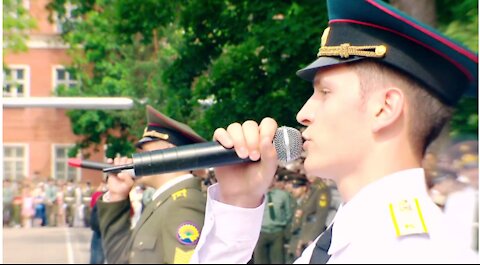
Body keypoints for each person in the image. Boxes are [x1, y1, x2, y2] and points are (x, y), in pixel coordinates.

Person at [189, 0, 478, 263]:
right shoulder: (353, 236)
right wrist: (238, 203)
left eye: (325, 92)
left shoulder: (408, 252)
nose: (303, 114)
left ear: (384, 108)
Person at [97, 105, 207, 264]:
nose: (135, 158)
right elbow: (121, 259)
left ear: (169, 151)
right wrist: (117, 196)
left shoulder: (183, 205)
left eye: (144, 152)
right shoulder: (164, 202)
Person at [253, 169, 294, 264]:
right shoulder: (256, 194)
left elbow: (289, 213)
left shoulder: (283, 195)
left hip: (277, 232)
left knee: (278, 261)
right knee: (260, 261)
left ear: (275, 179)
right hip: (261, 232)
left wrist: (285, 231)